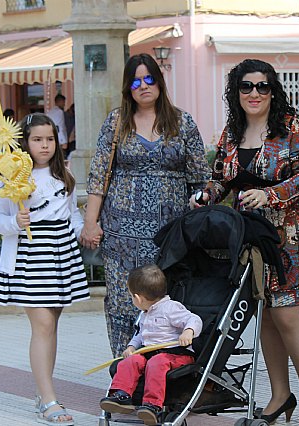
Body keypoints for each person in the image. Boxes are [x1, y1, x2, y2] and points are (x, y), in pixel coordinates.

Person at [189, 59, 299, 425]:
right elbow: (220, 179)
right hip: (248, 237)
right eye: (246, 86)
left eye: (263, 87)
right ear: (236, 92)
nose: (254, 93)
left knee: (287, 313)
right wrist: (205, 195)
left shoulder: (289, 127)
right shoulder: (232, 132)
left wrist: (271, 194)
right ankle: (281, 395)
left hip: (290, 234)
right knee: (263, 315)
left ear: (273, 91)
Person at [81, 53, 211, 357]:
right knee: (123, 302)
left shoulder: (182, 122)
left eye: (149, 78)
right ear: (128, 87)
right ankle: (124, 372)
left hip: (169, 236)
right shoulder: (116, 122)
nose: (143, 86)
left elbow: (200, 178)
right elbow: (99, 174)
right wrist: (90, 221)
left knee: (167, 303)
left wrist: (202, 214)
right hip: (121, 237)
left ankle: (165, 374)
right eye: (136, 81)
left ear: (159, 81)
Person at [0, 113, 89, 425]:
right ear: (25, 142)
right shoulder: (14, 177)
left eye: (49, 138)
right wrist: (14, 223)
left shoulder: (65, 176)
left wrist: (85, 231)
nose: (44, 145)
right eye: (37, 139)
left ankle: (42, 392)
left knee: (51, 328)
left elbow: (71, 216)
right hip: (31, 255)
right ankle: (49, 400)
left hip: (62, 254)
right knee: (43, 327)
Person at [99, 264, 202, 426]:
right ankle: (122, 395)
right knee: (130, 361)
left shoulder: (170, 308)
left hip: (176, 355)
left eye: (132, 297)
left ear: (138, 298)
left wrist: (188, 331)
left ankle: (152, 405)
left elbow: (194, 319)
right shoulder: (144, 314)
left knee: (156, 362)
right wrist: (132, 347)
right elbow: (140, 334)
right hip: (152, 354)